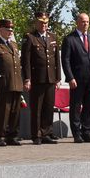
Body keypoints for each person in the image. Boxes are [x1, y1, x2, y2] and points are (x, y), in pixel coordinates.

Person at [61, 13, 90, 143]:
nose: (85, 24)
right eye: (83, 21)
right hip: (77, 79)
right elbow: (66, 60)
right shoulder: (69, 39)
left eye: (87, 22)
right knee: (75, 107)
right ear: (77, 23)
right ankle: (77, 134)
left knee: (89, 106)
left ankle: (87, 132)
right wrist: (70, 77)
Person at [21, 12, 61, 145]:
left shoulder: (52, 37)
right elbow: (26, 60)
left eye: (46, 23)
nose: (44, 25)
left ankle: (46, 133)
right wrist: (27, 79)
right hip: (37, 78)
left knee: (48, 107)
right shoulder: (30, 37)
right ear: (36, 23)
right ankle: (36, 135)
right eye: (41, 22)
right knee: (37, 108)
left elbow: (57, 59)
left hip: (50, 78)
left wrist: (58, 78)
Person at [0, 19, 24, 147]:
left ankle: (12, 136)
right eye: (8, 29)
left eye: (12, 29)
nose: (11, 32)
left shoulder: (14, 44)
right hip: (3, 84)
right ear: (1, 30)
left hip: (16, 83)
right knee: (4, 112)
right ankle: (0, 136)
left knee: (15, 111)